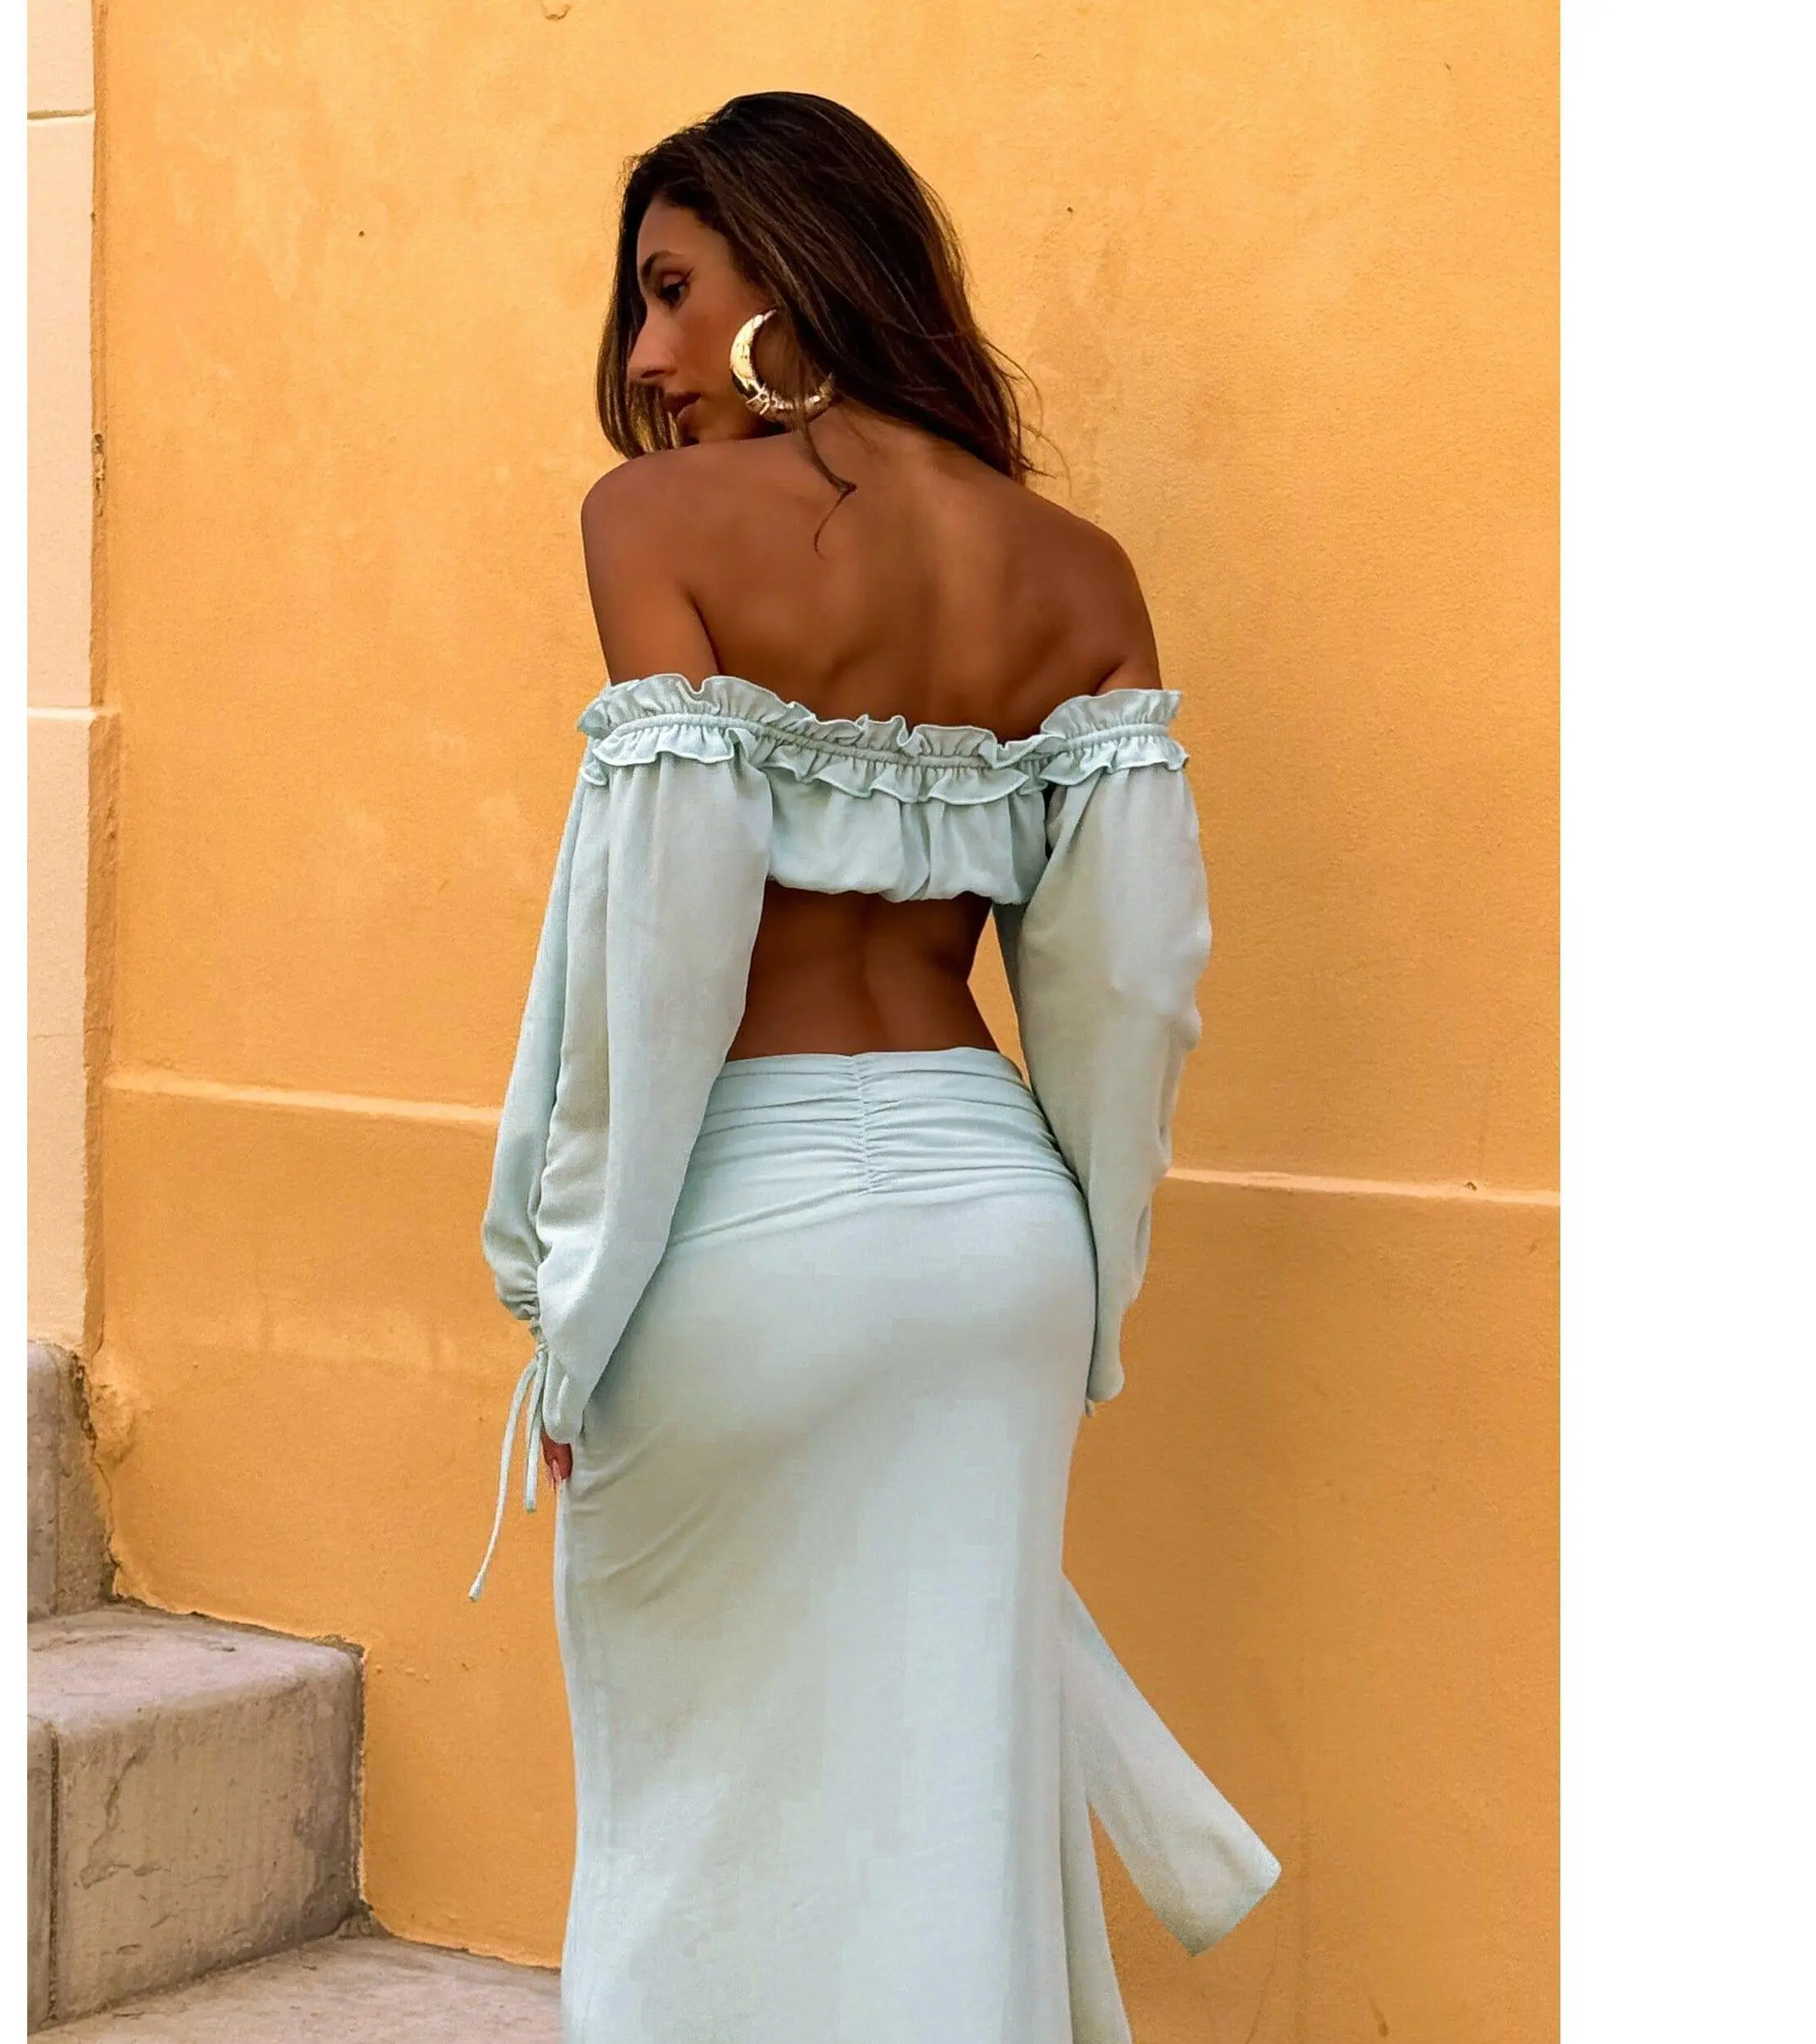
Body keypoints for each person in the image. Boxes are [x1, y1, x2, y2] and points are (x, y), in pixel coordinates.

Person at [473, 90, 1277, 2044]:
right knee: (949, 1807)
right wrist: (1089, 1288)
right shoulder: (1078, 576)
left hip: (741, 1232)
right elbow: (1129, 988)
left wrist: (575, 1302)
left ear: (795, 268)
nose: (645, 357)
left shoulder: (651, 527)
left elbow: (661, 956)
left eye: (673, 291)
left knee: (700, 1824)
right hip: (998, 1241)